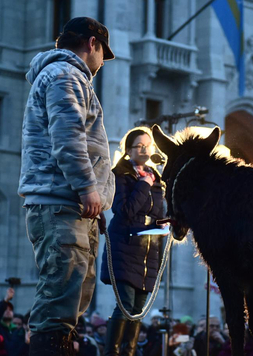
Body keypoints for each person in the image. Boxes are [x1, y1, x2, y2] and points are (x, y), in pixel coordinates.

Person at [19, 14, 116, 355]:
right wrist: (90, 189)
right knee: (59, 301)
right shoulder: (66, 75)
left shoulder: (68, 76)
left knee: (70, 298)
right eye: (104, 52)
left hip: (71, 204)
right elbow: (69, 138)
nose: (103, 61)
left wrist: (97, 199)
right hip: (61, 202)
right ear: (93, 43)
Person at [100, 127, 167, 356]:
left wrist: (163, 223)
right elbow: (125, 210)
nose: (145, 149)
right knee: (126, 305)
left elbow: (155, 211)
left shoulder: (156, 178)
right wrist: (144, 185)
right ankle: (112, 352)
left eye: (148, 145)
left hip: (147, 252)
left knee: (138, 310)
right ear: (128, 150)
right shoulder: (121, 175)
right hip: (125, 247)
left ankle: (128, 352)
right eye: (140, 146)